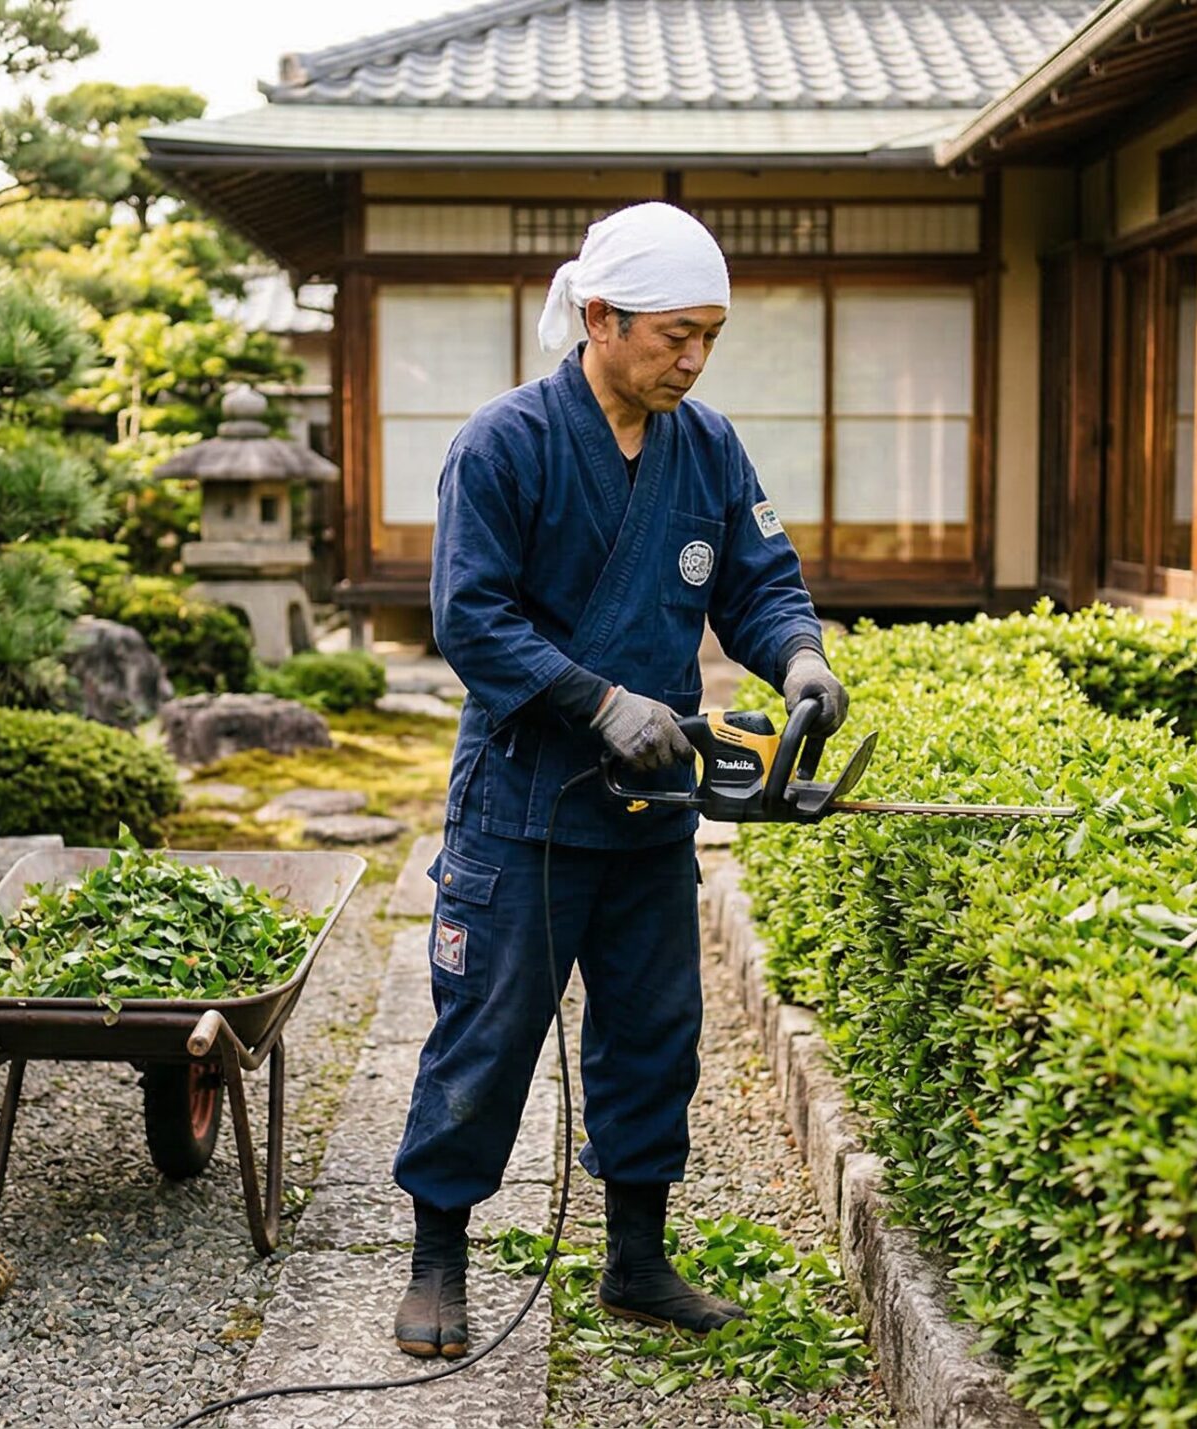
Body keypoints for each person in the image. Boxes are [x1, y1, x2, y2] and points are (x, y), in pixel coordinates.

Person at [391, 202, 847, 1359]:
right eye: (672, 335)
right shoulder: (506, 442)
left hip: (653, 810)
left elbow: (757, 581)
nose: (691, 360)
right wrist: (596, 701)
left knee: (653, 1035)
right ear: (598, 317)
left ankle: (637, 1262)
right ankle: (437, 1256)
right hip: (524, 805)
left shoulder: (707, 446)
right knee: (484, 1036)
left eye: (709, 338)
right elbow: (469, 615)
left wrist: (800, 659)